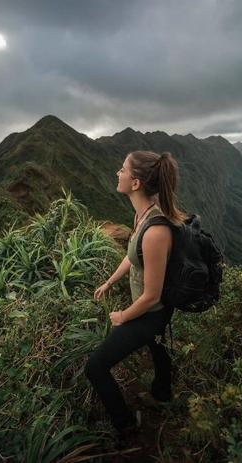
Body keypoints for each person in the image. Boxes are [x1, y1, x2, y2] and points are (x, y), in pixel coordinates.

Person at [84, 150, 188, 435]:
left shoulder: (156, 231)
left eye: (122, 170)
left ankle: (126, 426)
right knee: (158, 348)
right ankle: (163, 393)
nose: (118, 173)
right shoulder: (142, 216)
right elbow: (133, 256)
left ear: (136, 183)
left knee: (95, 367)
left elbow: (152, 297)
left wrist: (122, 316)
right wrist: (109, 281)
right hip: (151, 309)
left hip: (150, 313)